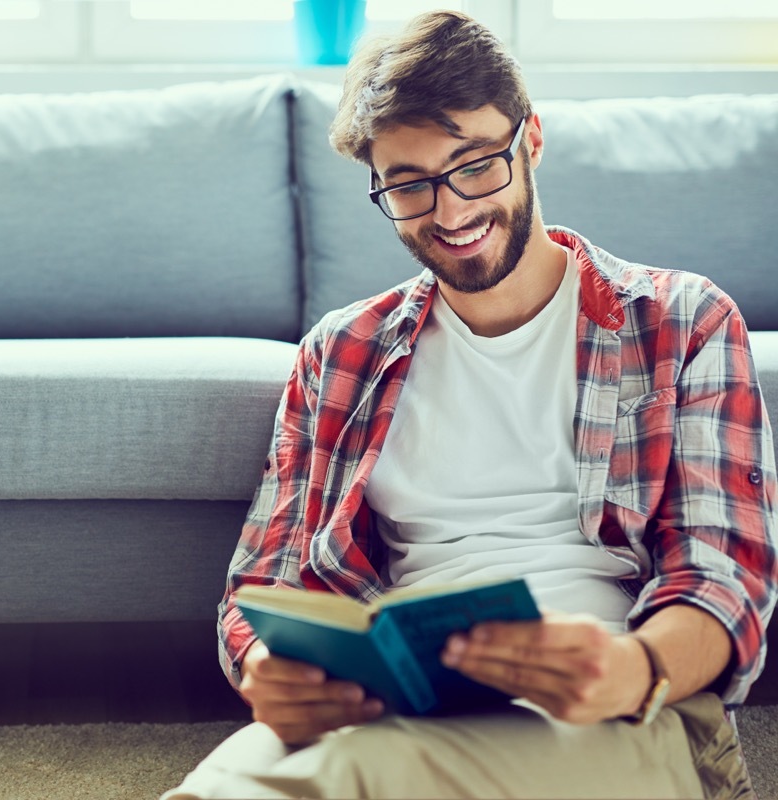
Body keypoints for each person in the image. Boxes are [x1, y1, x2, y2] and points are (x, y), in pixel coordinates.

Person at [163, 10, 777, 800]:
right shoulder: (343, 352)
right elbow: (269, 578)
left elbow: (724, 575)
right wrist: (266, 671)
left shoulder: (682, 322)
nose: (450, 212)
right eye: (410, 185)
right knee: (234, 779)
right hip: (401, 699)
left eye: (476, 165)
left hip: (618, 703)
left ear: (532, 141)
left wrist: (636, 666)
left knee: (343, 778)